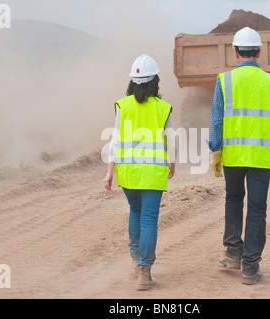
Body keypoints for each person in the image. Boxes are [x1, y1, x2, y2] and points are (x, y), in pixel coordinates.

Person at [208, 27, 270, 285]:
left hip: (232, 155)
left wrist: (216, 149)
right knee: (257, 209)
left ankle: (233, 254)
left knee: (233, 199)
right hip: (261, 157)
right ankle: (250, 268)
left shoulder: (224, 80)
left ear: (235, 52)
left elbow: (217, 118)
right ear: (259, 52)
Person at [103, 54, 176, 291]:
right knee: (149, 219)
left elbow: (115, 140)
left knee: (135, 211)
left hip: (128, 171)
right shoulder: (163, 108)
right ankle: (144, 272)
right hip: (153, 172)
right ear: (155, 81)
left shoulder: (122, 106)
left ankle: (135, 260)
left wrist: (109, 172)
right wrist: (172, 163)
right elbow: (171, 141)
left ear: (132, 82)